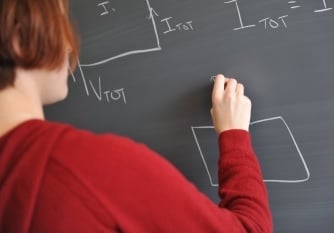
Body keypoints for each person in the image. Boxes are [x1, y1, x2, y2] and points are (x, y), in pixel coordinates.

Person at [0, 0, 272, 232]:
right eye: (59, 22)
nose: (69, 46)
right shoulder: (87, 166)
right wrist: (234, 137)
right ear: (20, 38)